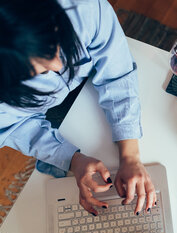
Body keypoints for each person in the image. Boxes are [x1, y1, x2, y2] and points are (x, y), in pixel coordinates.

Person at [0, 0, 155, 216]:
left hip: (88, 97)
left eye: (54, 44)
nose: (58, 66)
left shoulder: (83, 7)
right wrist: (72, 159)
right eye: (38, 69)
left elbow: (116, 73)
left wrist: (130, 156)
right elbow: (13, 127)